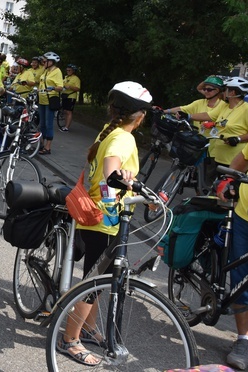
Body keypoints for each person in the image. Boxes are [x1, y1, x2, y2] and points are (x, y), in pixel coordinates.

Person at [57, 81, 152, 366]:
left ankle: (86, 327)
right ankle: (69, 339)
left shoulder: (109, 131)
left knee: (100, 279)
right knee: (94, 282)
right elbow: (110, 178)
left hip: (98, 215)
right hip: (106, 219)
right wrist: (140, 191)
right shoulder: (123, 138)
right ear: (140, 116)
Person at [216, 142, 248, 369]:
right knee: (243, 279)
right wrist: (228, 180)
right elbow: (243, 157)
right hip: (246, 218)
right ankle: (243, 340)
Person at [185, 77, 248, 168]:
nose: (222, 92)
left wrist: (238, 139)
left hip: (233, 160)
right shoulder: (224, 106)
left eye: (224, 90)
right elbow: (208, 115)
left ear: (232, 93)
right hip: (217, 156)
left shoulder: (247, 109)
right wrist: (188, 116)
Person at [37, 52, 64, 155]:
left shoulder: (57, 72)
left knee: (48, 124)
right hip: (41, 100)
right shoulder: (46, 71)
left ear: (51, 61)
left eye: (45, 61)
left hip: (50, 101)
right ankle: (42, 144)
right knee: (42, 124)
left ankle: (48, 147)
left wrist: (52, 88)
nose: (43, 62)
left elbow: (60, 87)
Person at [60, 64, 81, 132]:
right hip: (65, 95)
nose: (68, 71)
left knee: (69, 111)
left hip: (71, 96)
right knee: (65, 111)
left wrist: (70, 87)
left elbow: (78, 88)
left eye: (69, 70)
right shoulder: (66, 77)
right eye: (67, 70)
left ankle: (67, 127)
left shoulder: (76, 78)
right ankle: (65, 125)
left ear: (73, 71)